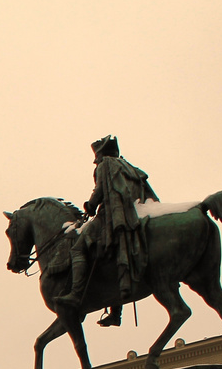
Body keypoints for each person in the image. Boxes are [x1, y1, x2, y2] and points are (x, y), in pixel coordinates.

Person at [56, 135, 159, 324]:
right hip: (135, 212)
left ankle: (75, 294)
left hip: (112, 214)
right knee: (112, 253)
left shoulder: (105, 165)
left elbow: (100, 189)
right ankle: (116, 313)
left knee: (78, 248)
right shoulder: (128, 166)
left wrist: (91, 205)